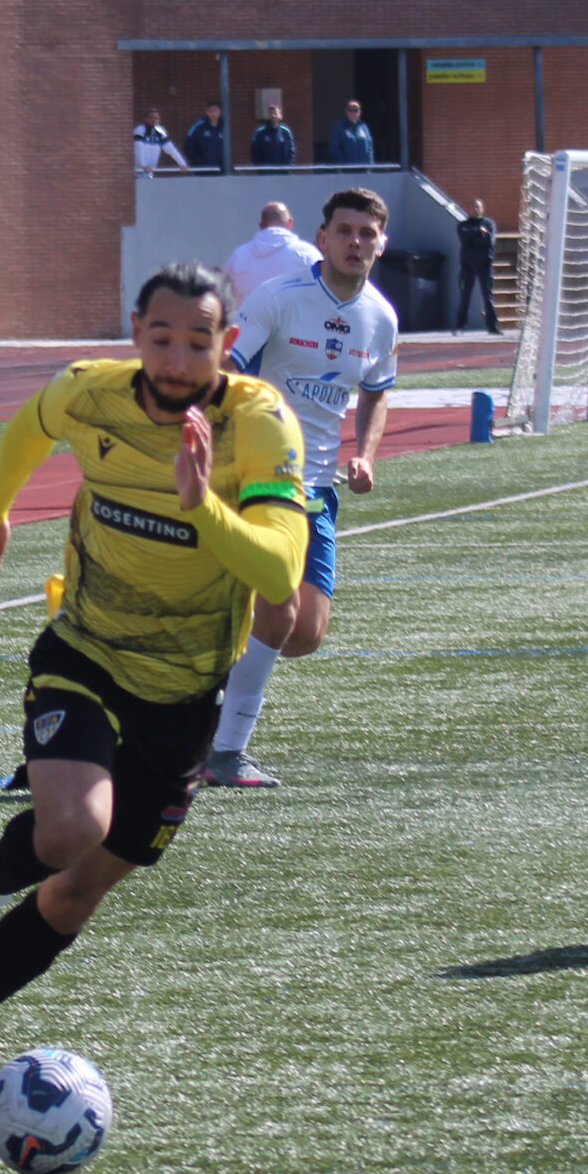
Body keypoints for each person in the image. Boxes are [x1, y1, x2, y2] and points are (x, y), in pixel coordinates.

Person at [0, 262, 305, 1095]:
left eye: (199, 341)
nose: (177, 358)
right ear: (136, 334)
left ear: (227, 345)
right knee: (70, 829)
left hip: (188, 689)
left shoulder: (259, 424)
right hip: (85, 651)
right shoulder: (91, 391)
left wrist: (204, 509)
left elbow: (281, 565)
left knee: (78, 893)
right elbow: (29, 428)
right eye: (161, 338)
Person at [205, 187, 399, 789]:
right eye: (344, 231)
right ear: (322, 238)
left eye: (366, 234)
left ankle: (214, 696)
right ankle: (223, 752)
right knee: (275, 609)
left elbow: (376, 389)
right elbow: (225, 369)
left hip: (316, 487)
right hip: (254, 476)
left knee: (304, 632)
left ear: (381, 244)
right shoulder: (279, 298)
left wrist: (364, 455)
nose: (354, 242)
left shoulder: (381, 317)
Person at [221, 201, 322, 308]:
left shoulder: (239, 256)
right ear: (290, 223)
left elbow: (224, 297)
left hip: (249, 323)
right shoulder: (308, 254)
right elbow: (324, 295)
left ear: (261, 225)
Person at [455, 197, 501, 335]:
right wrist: (478, 232)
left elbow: (489, 241)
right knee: (465, 296)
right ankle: (460, 325)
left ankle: (492, 326)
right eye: (474, 207)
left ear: (483, 208)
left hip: (484, 265)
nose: (476, 209)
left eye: (478, 207)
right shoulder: (463, 225)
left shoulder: (489, 224)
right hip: (467, 266)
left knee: (488, 296)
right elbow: (464, 237)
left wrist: (477, 236)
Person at [131, 108, 188, 175]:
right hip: (138, 172)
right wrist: (143, 166)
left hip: (150, 172)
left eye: (156, 118)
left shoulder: (160, 131)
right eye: (151, 117)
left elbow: (171, 149)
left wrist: (182, 164)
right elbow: (138, 149)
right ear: (145, 119)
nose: (154, 120)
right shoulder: (140, 130)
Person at [327, 100, 375, 166]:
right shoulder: (340, 127)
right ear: (346, 112)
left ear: (359, 113)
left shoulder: (364, 127)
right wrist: (344, 165)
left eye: (355, 110)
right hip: (347, 171)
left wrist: (370, 165)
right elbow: (335, 149)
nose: (353, 112)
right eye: (350, 110)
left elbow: (370, 148)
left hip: (364, 170)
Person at [249, 103, 296, 168]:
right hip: (265, 172)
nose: (273, 116)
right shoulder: (260, 132)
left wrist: (289, 167)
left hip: (283, 172)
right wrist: (260, 168)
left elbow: (291, 152)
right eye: (271, 113)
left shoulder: (286, 132)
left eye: (275, 113)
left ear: (280, 115)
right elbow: (254, 152)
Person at [183, 101, 226, 172]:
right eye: (210, 111)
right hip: (201, 170)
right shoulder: (198, 126)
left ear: (220, 112)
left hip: (219, 170)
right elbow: (188, 147)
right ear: (207, 112)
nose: (213, 114)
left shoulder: (224, 127)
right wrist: (200, 162)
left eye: (215, 111)